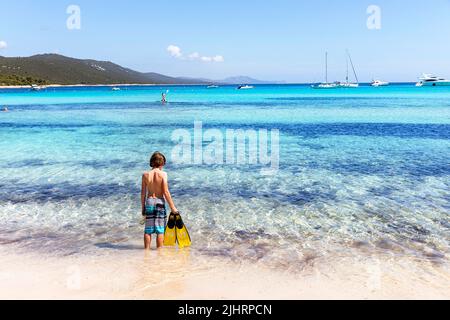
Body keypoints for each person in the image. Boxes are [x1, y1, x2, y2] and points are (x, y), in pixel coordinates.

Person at [141, 152, 178, 249]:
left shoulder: (145, 175)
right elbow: (166, 192)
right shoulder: (163, 174)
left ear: (152, 162)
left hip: (149, 201)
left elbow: (143, 193)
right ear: (162, 163)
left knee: (148, 230)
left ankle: (146, 251)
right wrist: (173, 208)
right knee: (160, 230)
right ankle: (159, 252)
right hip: (159, 202)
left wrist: (143, 208)